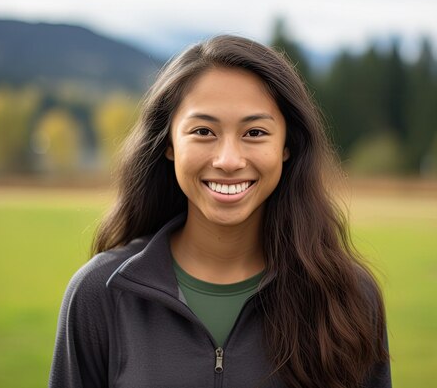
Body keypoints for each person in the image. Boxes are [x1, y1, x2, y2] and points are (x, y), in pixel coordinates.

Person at [49, 35, 391, 388]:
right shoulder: (99, 294)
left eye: (255, 132)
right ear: (169, 143)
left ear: (286, 146)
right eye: (203, 131)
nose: (228, 160)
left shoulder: (348, 297)